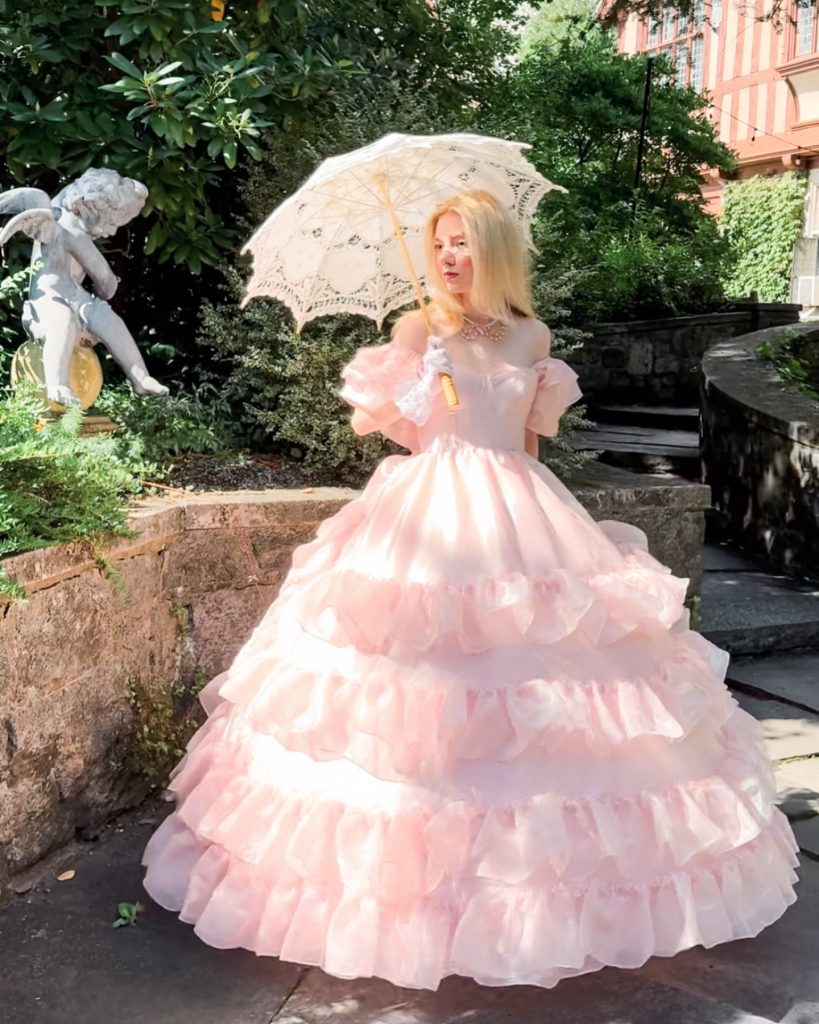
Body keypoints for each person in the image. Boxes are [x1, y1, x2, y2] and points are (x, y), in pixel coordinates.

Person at [141, 189, 799, 991]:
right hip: (423, 512)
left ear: (494, 250)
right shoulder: (418, 328)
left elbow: (528, 444)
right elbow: (390, 430)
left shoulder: (532, 334)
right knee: (415, 682)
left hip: (521, 509)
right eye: (440, 243)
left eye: (463, 243)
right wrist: (423, 383)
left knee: (553, 687)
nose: (449, 257)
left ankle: (544, 901)